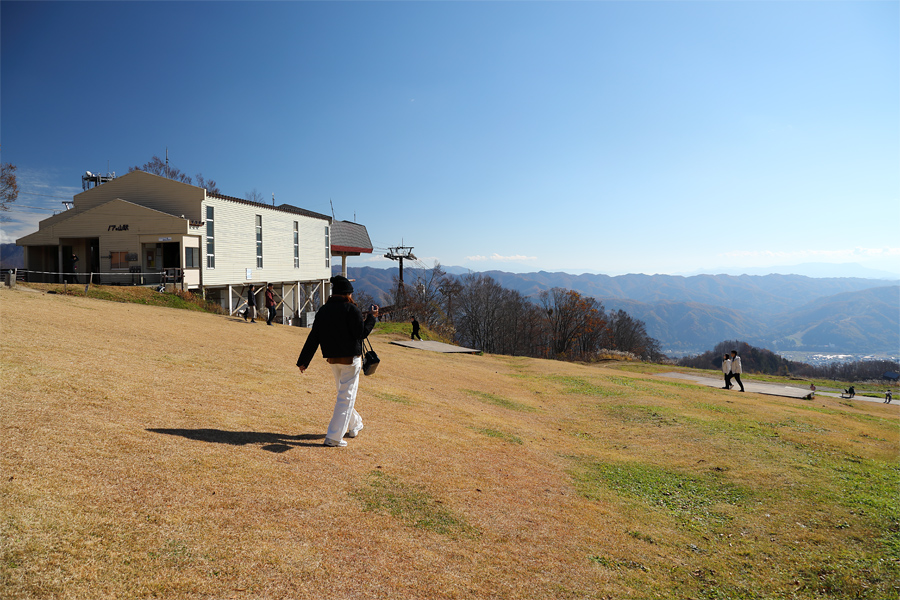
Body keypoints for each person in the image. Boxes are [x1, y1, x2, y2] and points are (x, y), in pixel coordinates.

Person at [297, 275, 378, 447]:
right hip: (351, 360)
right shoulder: (352, 309)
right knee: (346, 397)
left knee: (343, 395)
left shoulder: (324, 310)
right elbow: (361, 334)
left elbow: (314, 337)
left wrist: (304, 361)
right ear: (348, 294)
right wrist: (372, 318)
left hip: (333, 360)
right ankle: (333, 437)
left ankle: (354, 424)